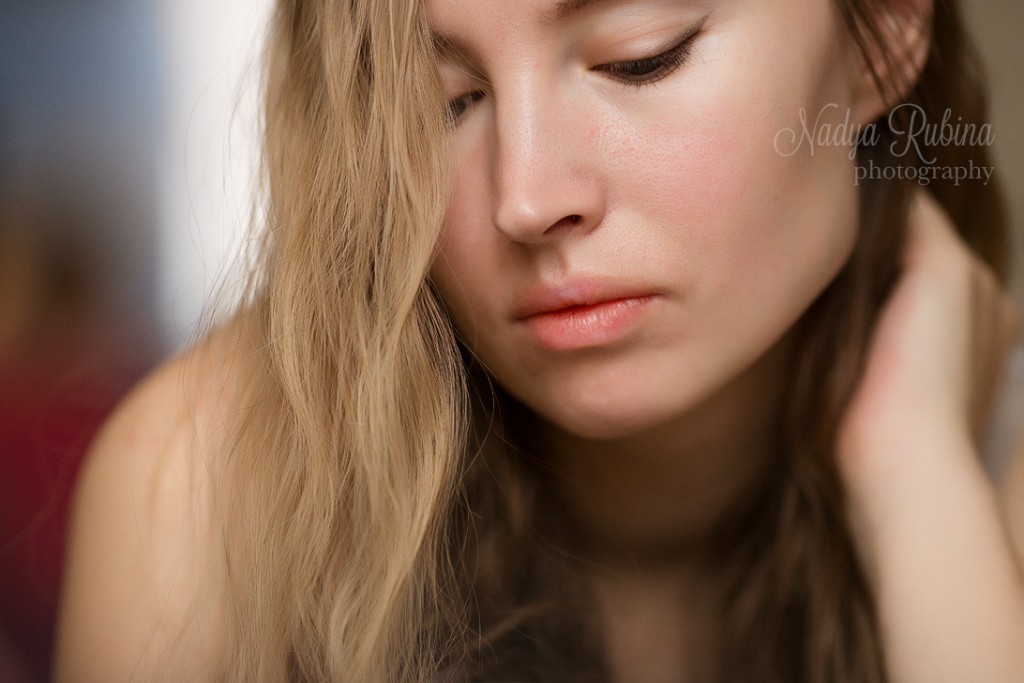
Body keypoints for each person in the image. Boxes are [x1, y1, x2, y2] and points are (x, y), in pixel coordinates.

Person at [53, 0, 1024, 681]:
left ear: (885, 33)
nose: (526, 197)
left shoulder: (992, 465)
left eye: (639, 55)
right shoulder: (208, 486)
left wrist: (915, 480)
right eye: (442, 103)